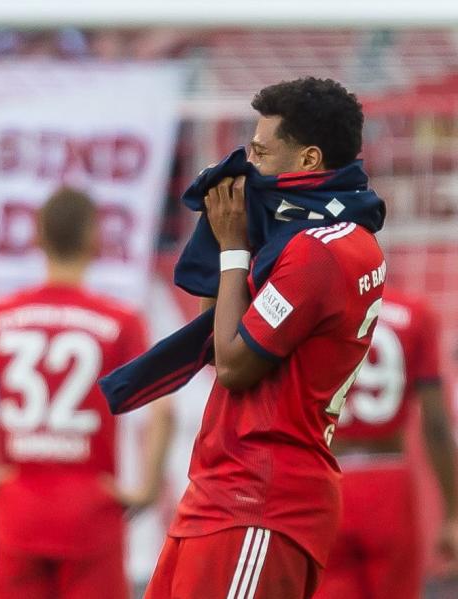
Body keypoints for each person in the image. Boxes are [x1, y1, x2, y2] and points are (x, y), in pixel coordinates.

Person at [143, 78, 387, 599]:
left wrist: (234, 248)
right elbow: (217, 341)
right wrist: (223, 241)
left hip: (261, 499)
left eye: (260, 150)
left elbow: (232, 365)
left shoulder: (318, 252)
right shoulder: (324, 239)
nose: (247, 164)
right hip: (224, 491)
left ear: (308, 159)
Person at [0, 187, 174, 599]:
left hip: (19, 505)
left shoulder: (0, 315)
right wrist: (148, 488)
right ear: (95, 239)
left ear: (38, 237)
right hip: (92, 509)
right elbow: (163, 409)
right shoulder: (121, 321)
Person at [314, 287, 458, 599]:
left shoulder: (312, 311)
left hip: (326, 477)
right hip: (388, 482)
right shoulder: (414, 313)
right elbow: (435, 423)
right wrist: (452, 513)